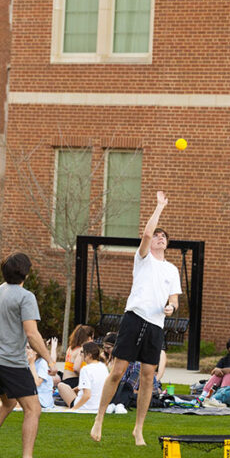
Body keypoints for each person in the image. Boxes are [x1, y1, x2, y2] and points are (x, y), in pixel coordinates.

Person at [91, 190, 181, 445]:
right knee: (118, 370)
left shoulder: (171, 270)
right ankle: (99, 419)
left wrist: (171, 308)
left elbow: (174, 298)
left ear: (167, 244)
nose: (160, 238)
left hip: (155, 325)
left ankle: (138, 428)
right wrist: (159, 207)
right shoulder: (142, 259)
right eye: (157, 236)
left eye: (164, 237)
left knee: (148, 376)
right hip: (135, 318)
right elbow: (146, 234)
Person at [0, 252, 57, 458]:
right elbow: (32, 334)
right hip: (11, 362)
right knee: (33, 409)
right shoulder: (25, 297)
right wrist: (49, 360)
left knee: (7, 403)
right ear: (26, 273)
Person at [60, 342, 109, 411]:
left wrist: (74, 409)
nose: (80, 355)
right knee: (73, 390)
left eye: (82, 352)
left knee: (61, 385)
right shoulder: (103, 367)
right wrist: (74, 390)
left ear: (89, 355)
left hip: (84, 406)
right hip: (98, 405)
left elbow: (87, 395)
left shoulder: (86, 369)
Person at [60, 324, 95, 388]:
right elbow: (76, 368)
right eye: (92, 338)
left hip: (65, 380)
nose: (93, 341)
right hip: (73, 381)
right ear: (88, 338)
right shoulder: (81, 350)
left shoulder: (70, 348)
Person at [28, 339, 58, 410]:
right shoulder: (30, 361)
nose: (24, 350)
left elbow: (37, 383)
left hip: (42, 400)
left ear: (35, 351)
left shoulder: (42, 363)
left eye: (28, 348)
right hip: (33, 396)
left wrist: (31, 364)